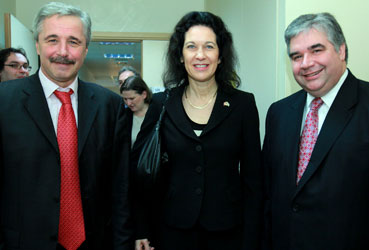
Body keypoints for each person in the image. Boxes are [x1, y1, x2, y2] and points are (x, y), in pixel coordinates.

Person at [0, 2, 133, 250]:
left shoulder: (110, 106)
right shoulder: (4, 101)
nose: (63, 51)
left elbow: (120, 187)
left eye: (73, 42)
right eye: (52, 40)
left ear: (85, 49)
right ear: (37, 45)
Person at [132, 11, 263, 250]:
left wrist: (252, 238)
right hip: (171, 230)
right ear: (181, 56)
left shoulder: (243, 104)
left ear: (221, 55)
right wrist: (141, 228)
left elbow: (253, 179)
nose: (200, 55)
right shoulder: (162, 104)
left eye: (209, 47)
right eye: (191, 46)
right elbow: (141, 172)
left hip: (228, 232)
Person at [262, 12, 369, 250]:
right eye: (296, 56)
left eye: (316, 50)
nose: (306, 63)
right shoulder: (279, 112)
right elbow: (269, 192)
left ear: (341, 50)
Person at [119, 75, 152, 147]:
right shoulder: (124, 116)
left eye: (132, 98)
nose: (128, 103)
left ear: (144, 94)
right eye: (125, 99)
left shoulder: (157, 113)